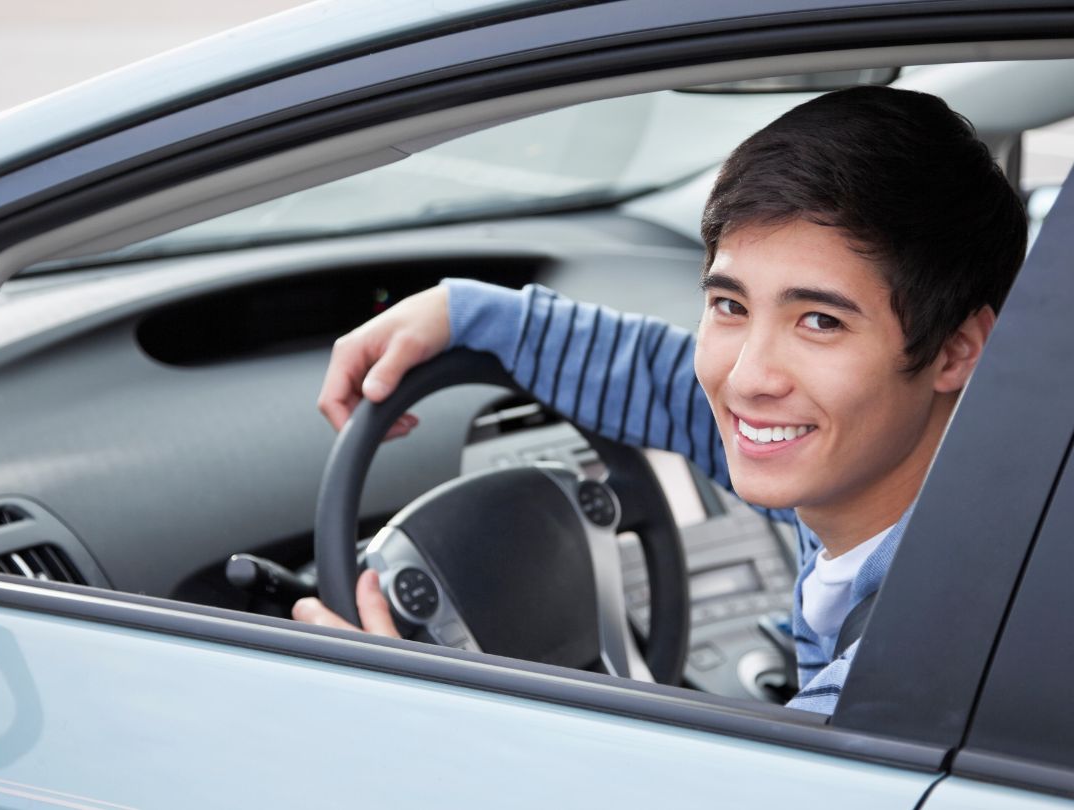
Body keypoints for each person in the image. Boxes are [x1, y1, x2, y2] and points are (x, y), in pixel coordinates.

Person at [292, 85, 1028, 715]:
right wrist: (469, 314)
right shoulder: (926, 477)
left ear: (956, 351)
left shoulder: (910, 672)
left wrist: (408, 717)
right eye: (730, 306)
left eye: (820, 321)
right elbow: (664, 381)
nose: (747, 378)